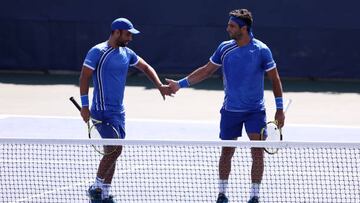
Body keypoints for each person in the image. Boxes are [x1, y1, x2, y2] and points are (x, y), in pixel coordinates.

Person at [166, 9, 285, 203]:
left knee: (257, 152)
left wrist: (279, 109)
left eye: (232, 26)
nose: (227, 28)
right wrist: (179, 84)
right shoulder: (224, 48)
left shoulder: (262, 50)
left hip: (255, 111)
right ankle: (222, 194)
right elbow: (206, 71)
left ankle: (254, 196)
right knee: (227, 152)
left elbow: (275, 79)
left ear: (244, 29)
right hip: (230, 111)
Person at [79, 18, 172, 203]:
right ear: (117, 32)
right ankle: (95, 186)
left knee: (112, 151)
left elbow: (145, 67)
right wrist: (84, 106)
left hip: (118, 112)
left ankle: (104, 193)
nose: (130, 38)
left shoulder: (127, 53)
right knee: (115, 149)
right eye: (128, 34)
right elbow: (84, 77)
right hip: (101, 111)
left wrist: (160, 85)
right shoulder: (98, 51)